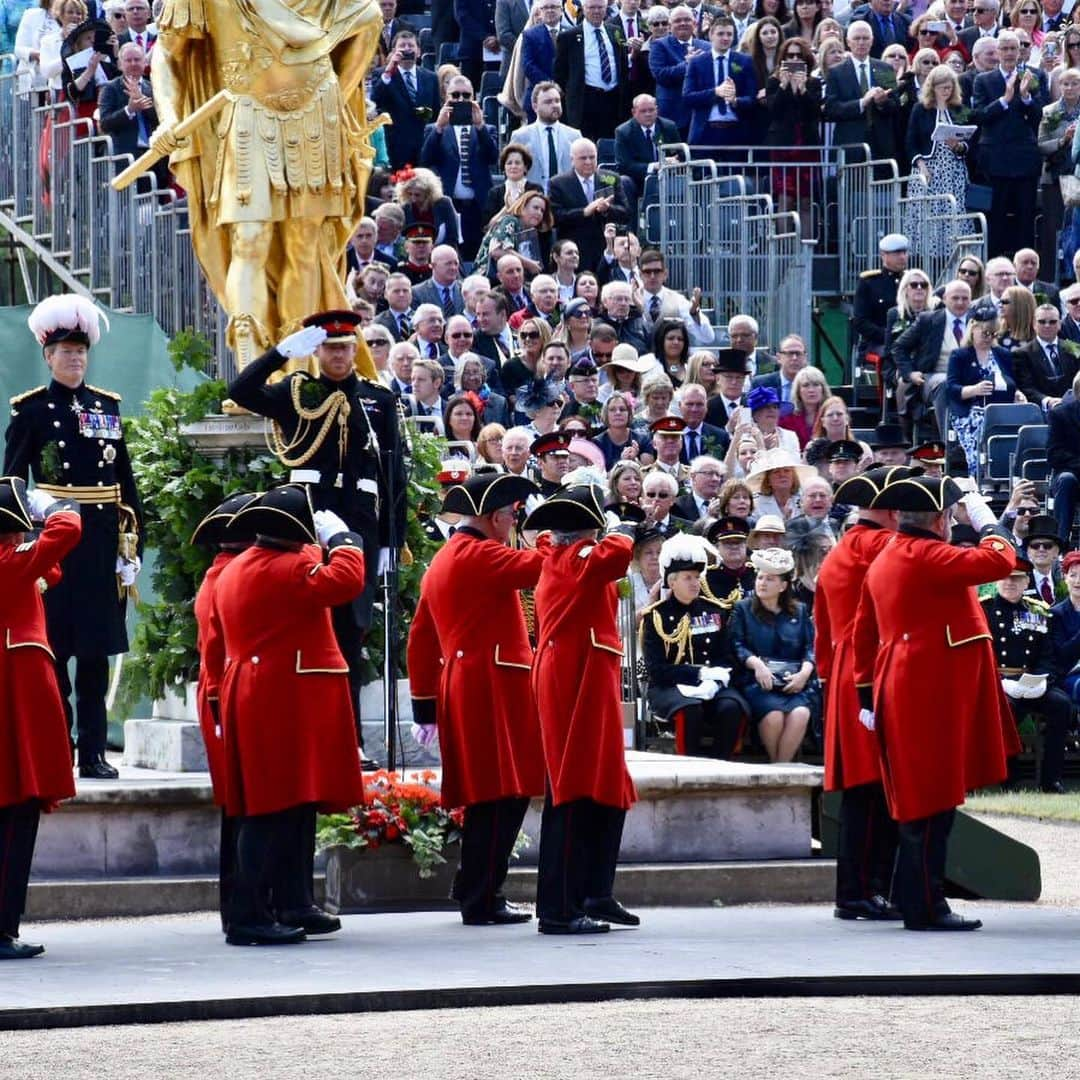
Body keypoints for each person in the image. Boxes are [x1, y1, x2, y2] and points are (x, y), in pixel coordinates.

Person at [149, 0, 384, 369]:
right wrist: (167, 116)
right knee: (249, 238)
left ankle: (299, 369)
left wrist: (340, 90)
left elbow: (370, 18)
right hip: (248, 113)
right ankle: (251, 369)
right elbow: (166, 53)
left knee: (304, 246)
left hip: (316, 114)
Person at [227, 311, 405, 763]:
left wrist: (389, 541)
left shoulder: (378, 400)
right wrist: (280, 354)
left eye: (346, 347)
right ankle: (305, 736)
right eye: (330, 348)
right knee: (305, 629)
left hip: (359, 526)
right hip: (307, 522)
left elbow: (393, 478)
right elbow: (241, 392)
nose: (339, 356)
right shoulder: (298, 393)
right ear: (318, 351)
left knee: (349, 634)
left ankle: (349, 740)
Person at [852, 477, 1020, 931]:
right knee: (931, 802)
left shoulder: (889, 554)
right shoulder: (926, 554)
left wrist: (866, 692)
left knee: (921, 800)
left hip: (902, 684)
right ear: (941, 519)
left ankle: (918, 899)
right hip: (925, 690)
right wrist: (985, 517)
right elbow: (1000, 560)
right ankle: (927, 905)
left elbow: (862, 632)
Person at [207, 485, 367, 946]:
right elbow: (346, 582)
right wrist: (345, 540)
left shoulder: (242, 566)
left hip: (262, 691)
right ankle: (250, 914)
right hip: (281, 696)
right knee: (272, 807)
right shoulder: (290, 566)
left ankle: (291, 901)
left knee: (291, 804)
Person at [4, 295, 143, 781]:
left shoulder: (106, 405)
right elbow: (11, 484)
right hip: (55, 543)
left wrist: (133, 546)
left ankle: (94, 752)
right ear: (48, 356)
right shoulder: (31, 411)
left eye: (80, 352)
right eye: (65, 352)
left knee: (95, 652)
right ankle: (60, 745)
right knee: (57, 649)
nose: (75, 359)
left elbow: (125, 481)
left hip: (101, 541)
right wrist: (24, 540)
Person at [408, 472, 543, 925]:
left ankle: (475, 885)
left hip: (467, 681)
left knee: (495, 792)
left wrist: (424, 704)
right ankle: (482, 894)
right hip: (493, 682)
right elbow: (537, 567)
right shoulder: (481, 553)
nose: (511, 524)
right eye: (510, 516)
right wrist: (551, 530)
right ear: (491, 517)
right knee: (502, 793)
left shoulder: (446, 557)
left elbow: (420, 639)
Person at [525, 484, 640, 934]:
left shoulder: (568, 557)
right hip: (575, 678)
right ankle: (559, 908)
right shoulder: (574, 558)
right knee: (572, 789)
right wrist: (619, 527)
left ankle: (596, 892)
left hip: (591, 676)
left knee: (607, 786)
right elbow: (616, 555)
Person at [814, 465, 920, 922]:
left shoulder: (840, 548)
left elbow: (820, 624)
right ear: (893, 511)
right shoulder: (881, 545)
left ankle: (859, 889)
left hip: (842, 670)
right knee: (874, 787)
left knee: (865, 788)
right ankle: (864, 889)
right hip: (869, 670)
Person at [0, 478, 81, 959]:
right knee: (17, 810)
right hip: (18, 694)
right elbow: (68, 529)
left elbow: (51, 570)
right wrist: (54, 505)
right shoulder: (8, 562)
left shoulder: (16, 563)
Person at [191, 491, 258, 933]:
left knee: (240, 805)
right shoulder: (228, 578)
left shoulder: (222, 573)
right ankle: (240, 907)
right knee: (242, 805)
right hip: (222, 694)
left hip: (221, 691)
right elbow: (216, 649)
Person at [641, 533, 748, 758]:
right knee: (690, 709)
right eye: (688, 578)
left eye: (697, 577)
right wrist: (698, 673)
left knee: (732, 707)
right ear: (672, 581)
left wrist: (717, 678)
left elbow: (726, 656)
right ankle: (689, 766)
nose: (695, 583)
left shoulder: (715, 610)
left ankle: (723, 765)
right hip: (669, 687)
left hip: (712, 684)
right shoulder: (656, 616)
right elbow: (657, 670)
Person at [982, 557, 1073, 793]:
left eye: (1016, 578)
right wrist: (1000, 682)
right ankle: (1009, 779)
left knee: (1061, 704)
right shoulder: (985, 610)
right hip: (996, 683)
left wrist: (1043, 679)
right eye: (1005, 577)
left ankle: (1051, 780)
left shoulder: (1037, 610)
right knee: (1007, 708)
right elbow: (980, 656)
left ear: (1026, 582)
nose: (1010, 583)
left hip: (1030, 680)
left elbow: (1047, 655)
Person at [728, 547, 815, 762]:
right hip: (759, 682)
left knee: (801, 714)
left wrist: (804, 674)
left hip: (793, 681)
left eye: (770, 579)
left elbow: (811, 647)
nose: (762, 583)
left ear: (783, 586)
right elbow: (736, 644)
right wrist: (756, 664)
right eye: (760, 577)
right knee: (774, 716)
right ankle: (779, 769)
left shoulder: (800, 611)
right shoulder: (743, 608)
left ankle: (780, 768)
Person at [972, 30, 1048, 257]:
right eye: (1004, 48)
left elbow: (1040, 117)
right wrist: (1004, 100)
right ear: (997, 52)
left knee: (1025, 218)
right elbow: (979, 116)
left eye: (1013, 48)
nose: (1009, 53)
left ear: (1020, 51)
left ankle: (1024, 268)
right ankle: (995, 267)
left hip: (1024, 159)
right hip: (995, 160)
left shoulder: (1034, 77)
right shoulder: (983, 80)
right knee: (997, 217)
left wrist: (1025, 98)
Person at [419, 75, 500, 261]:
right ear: (446, 97)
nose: (461, 100)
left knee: (477, 256)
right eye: (455, 95)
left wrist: (480, 127)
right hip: (449, 204)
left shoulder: (487, 129)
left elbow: (493, 158)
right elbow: (425, 160)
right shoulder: (434, 129)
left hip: (477, 206)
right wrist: (439, 128)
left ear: (474, 98)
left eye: (466, 95)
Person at [946, 298, 1024, 476]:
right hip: (970, 413)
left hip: (1003, 412)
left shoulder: (1002, 355)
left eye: (993, 334)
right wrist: (974, 390)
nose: (989, 338)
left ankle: (1009, 476)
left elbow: (1012, 383)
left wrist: (1018, 395)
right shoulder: (960, 356)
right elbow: (951, 388)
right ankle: (981, 477)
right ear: (973, 330)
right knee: (981, 426)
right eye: (985, 333)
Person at [892, 277, 971, 441]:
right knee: (945, 384)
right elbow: (899, 347)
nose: (960, 302)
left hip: (971, 377)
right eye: (955, 298)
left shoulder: (977, 321)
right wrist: (909, 373)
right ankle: (950, 443)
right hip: (934, 376)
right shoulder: (928, 320)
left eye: (965, 298)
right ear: (944, 299)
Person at [905, 65, 970, 260]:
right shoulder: (920, 109)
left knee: (953, 210)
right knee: (928, 212)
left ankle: (952, 257)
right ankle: (927, 259)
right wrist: (921, 165)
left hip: (952, 170)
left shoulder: (960, 109)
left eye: (949, 88)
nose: (945, 92)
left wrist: (958, 146)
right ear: (932, 88)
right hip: (928, 169)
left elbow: (970, 138)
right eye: (942, 87)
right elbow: (911, 141)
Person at [548, 138, 632, 273]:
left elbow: (626, 213)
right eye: (583, 158)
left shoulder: (611, 179)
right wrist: (584, 212)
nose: (588, 162)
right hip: (576, 249)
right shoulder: (558, 183)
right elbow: (555, 218)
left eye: (592, 157)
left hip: (606, 248)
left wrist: (607, 209)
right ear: (572, 160)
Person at [554, 0, 629, 141]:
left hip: (613, 100)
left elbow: (623, 64)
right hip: (586, 101)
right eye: (592, 7)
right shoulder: (568, 37)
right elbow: (560, 73)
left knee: (610, 146)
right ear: (584, 8)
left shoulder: (616, 31)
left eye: (600, 7)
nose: (596, 11)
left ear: (606, 8)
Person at [683, 15, 759, 151]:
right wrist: (716, 92)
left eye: (729, 34)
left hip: (736, 132)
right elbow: (687, 97)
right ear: (711, 35)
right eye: (720, 34)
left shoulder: (744, 61)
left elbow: (752, 99)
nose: (725, 38)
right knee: (706, 172)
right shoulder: (697, 62)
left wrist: (735, 100)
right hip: (706, 132)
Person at [1048, 373, 1080, 541]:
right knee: (1067, 480)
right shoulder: (1060, 415)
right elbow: (1054, 454)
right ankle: (1060, 543)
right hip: (1071, 474)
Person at [1051, 549, 1080, 703]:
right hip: (1069, 673)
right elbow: (1062, 654)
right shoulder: (1056, 614)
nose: (1078, 581)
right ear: (1065, 578)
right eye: (1073, 575)